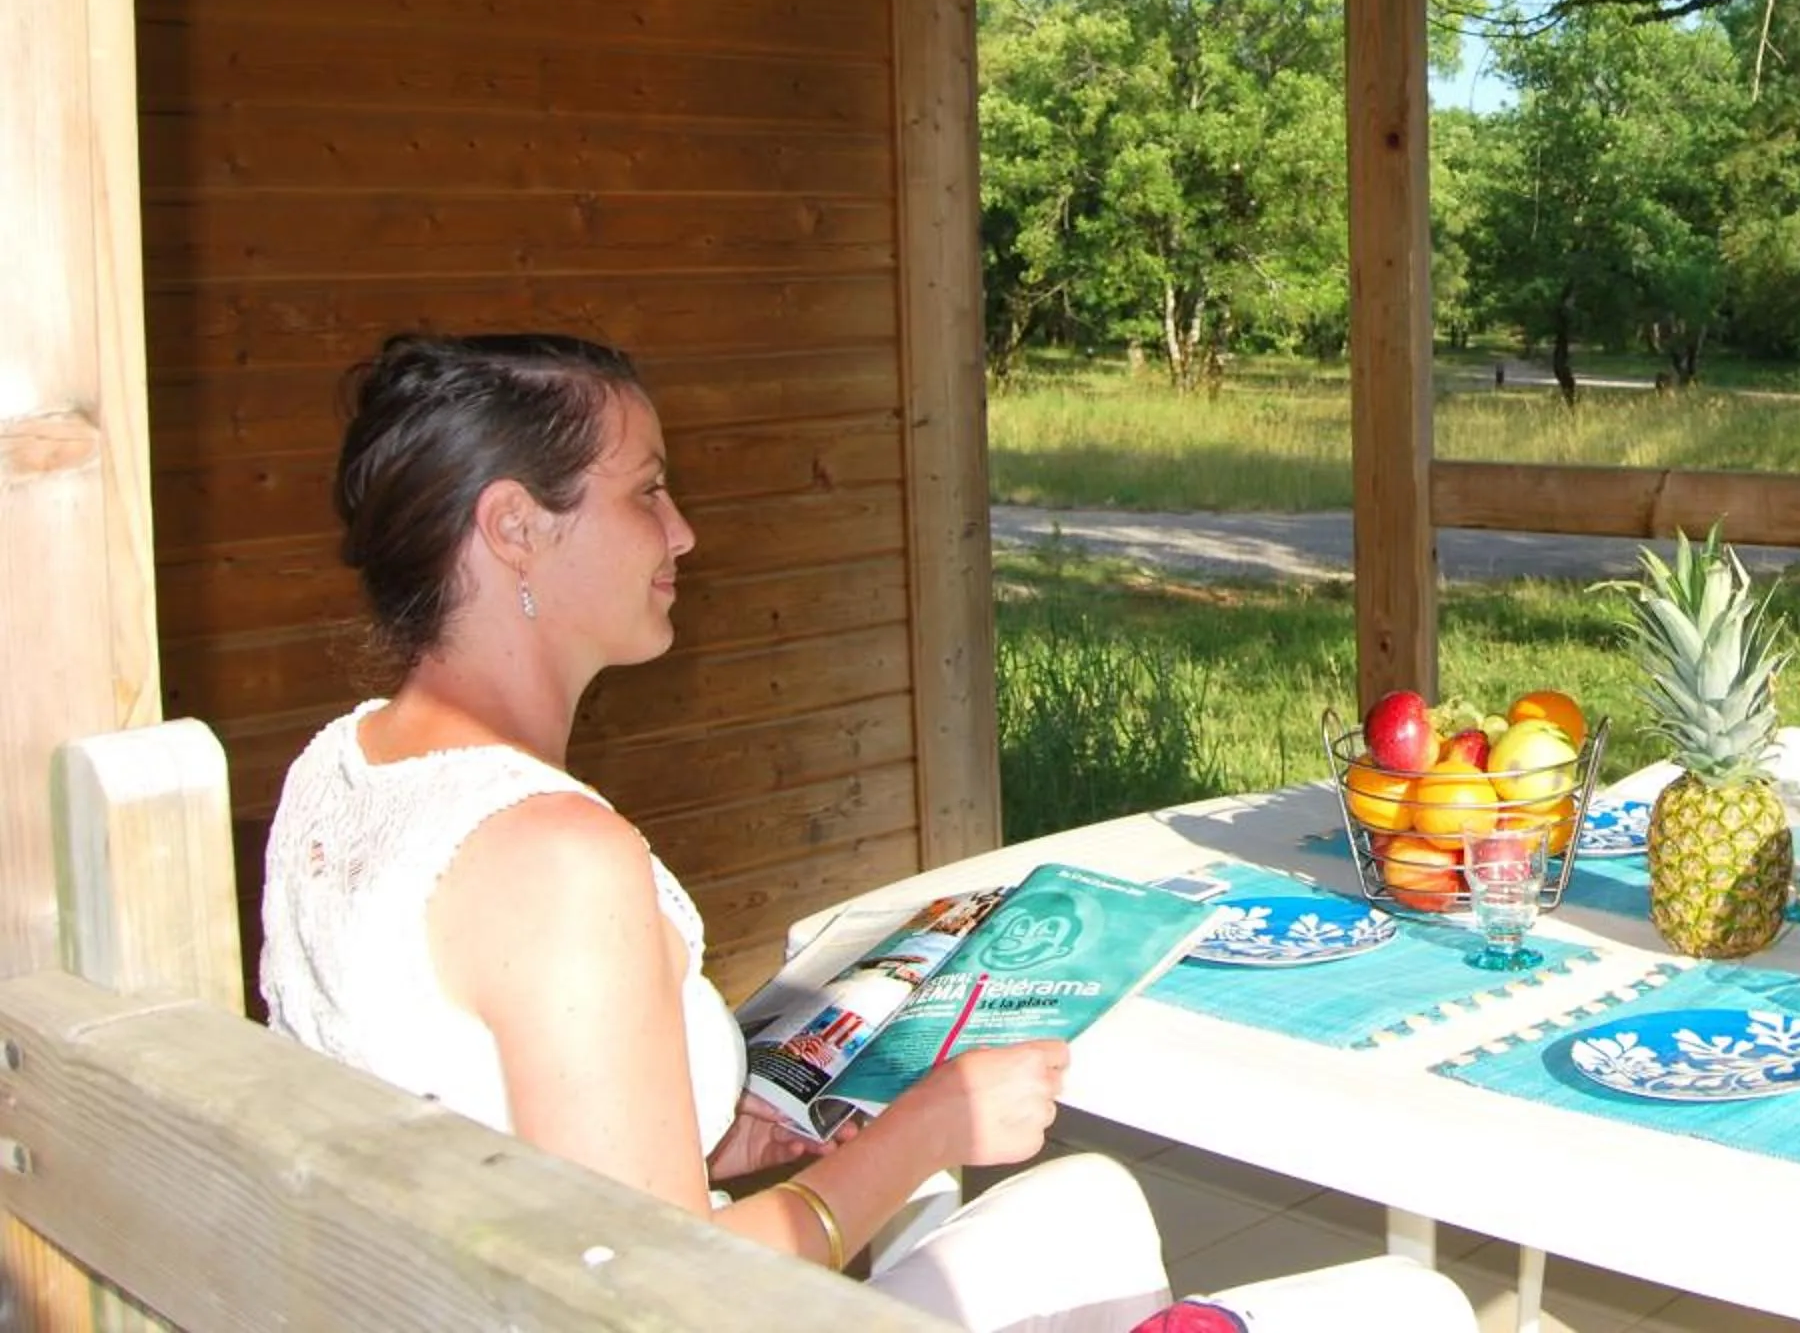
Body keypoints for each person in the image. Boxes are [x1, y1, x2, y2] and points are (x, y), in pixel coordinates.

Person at [260, 333, 1466, 1333]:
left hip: (437, 1290)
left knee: (1088, 1200)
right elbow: (671, 1293)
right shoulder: (556, 861)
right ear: (516, 527)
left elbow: (502, 1112)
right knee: (1414, 1304)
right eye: (647, 491)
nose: (681, 533)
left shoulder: (344, 771)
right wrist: (919, 1129)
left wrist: (723, 1128)